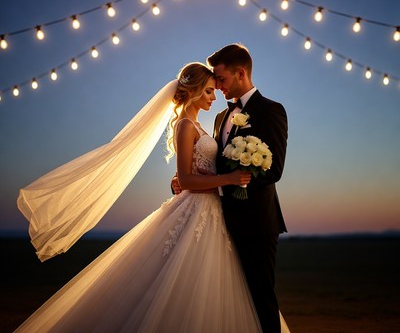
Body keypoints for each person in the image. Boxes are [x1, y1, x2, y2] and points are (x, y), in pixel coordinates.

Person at [15, 62, 290, 332]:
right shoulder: (185, 125)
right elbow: (186, 179)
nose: (214, 95)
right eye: (208, 90)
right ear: (193, 91)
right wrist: (225, 181)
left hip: (220, 214)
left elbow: (200, 169)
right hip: (199, 209)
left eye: (215, 89)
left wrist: (208, 179)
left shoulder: (208, 124)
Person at [173, 44, 288, 333]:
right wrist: (187, 179)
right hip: (219, 221)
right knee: (225, 298)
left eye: (221, 80)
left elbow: (274, 170)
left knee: (261, 297)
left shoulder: (271, 110)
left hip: (257, 222)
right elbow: (213, 162)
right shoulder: (220, 119)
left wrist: (238, 176)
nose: (218, 87)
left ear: (241, 73)